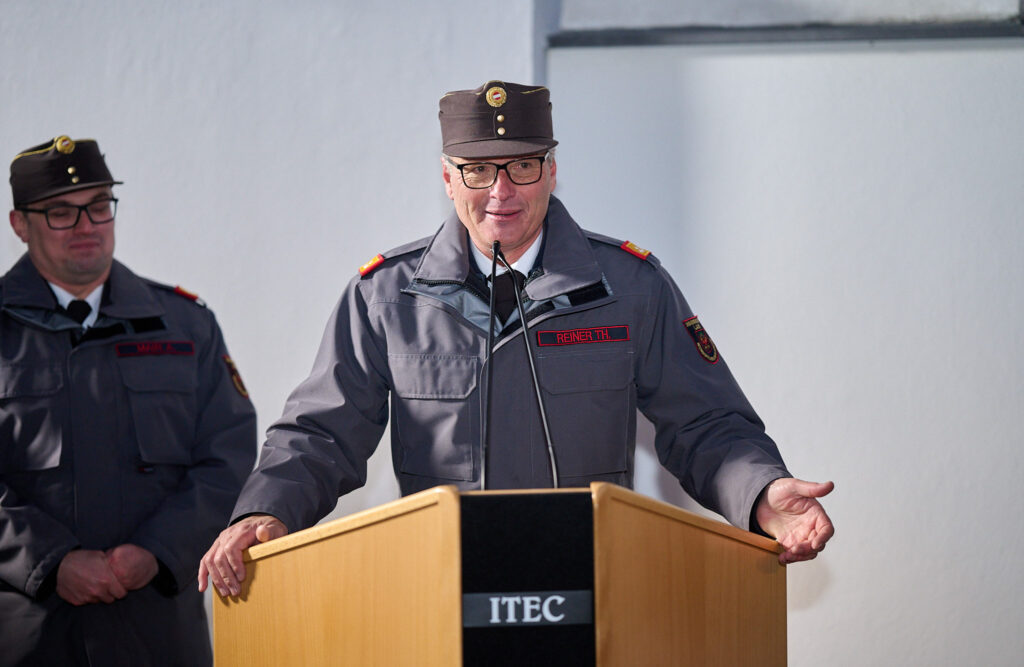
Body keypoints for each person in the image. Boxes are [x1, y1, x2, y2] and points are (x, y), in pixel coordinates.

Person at [199, 80, 834, 598]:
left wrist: (762, 492)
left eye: (522, 166)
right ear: (448, 179)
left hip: (588, 585)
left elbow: (706, 422)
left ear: (552, 171)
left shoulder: (629, 288)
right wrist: (264, 510)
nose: (500, 192)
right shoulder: (387, 296)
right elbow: (321, 434)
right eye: (477, 170)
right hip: (438, 588)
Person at [0, 136, 257, 666]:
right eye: (61, 213)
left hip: (156, 630)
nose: (86, 226)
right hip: (29, 634)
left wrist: (156, 551)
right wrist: (50, 561)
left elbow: (226, 458)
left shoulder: (185, 325)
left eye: (98, 206)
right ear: (20, 224)